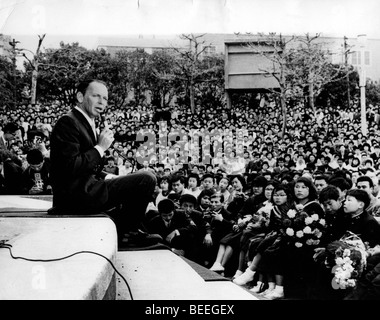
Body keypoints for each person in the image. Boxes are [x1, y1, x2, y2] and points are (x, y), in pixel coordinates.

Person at [49, 79, 157, 246]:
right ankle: (127, 234)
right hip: (76, 197)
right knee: (147, 179)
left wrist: (110, 178)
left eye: (105, 98)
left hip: (86, 190)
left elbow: (89, 168)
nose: (101, 102)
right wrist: (100, 148)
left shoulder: (87, 122)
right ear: (80, 97)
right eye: (96, 96)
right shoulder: (68, 122)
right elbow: (70, 167)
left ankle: (127, 231)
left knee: (138, 178)